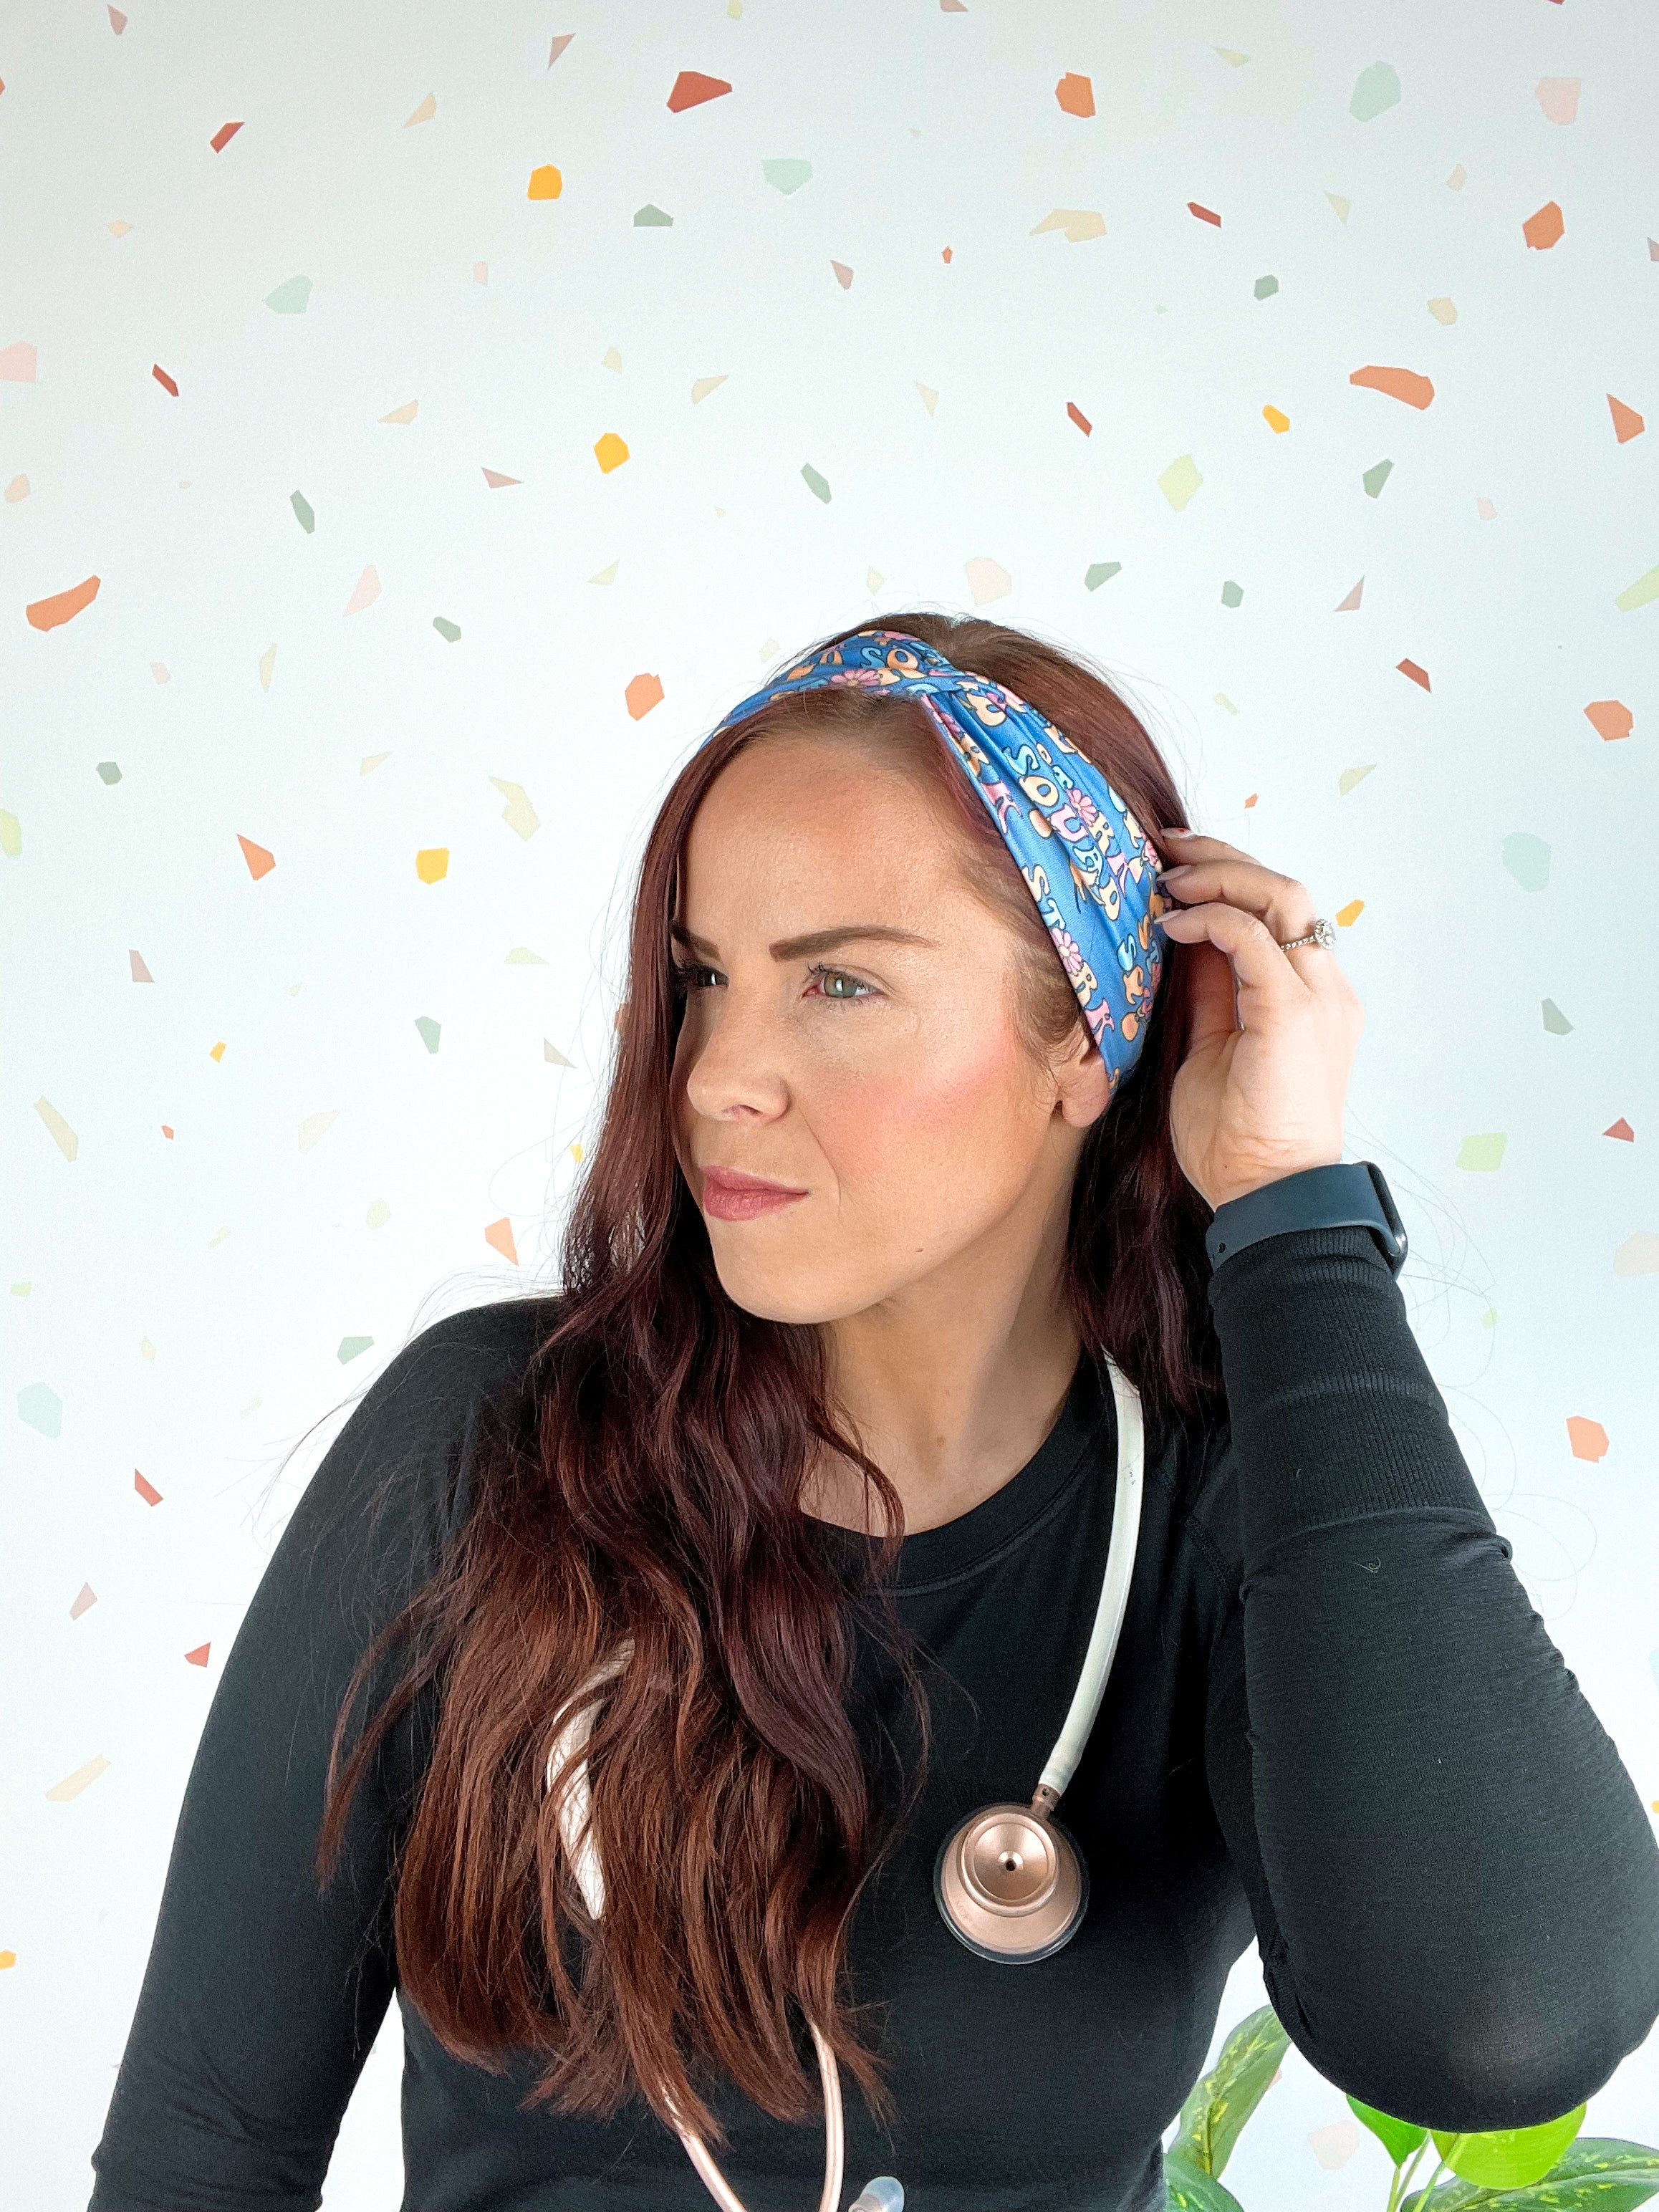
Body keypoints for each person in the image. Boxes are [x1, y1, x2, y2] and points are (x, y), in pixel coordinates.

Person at [87, 617, 1659, 2212]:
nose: (718, 1076)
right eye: (706, 976)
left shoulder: (1221, 1512)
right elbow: (203, 2145)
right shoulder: (491, 1444)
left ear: (1087, 1039)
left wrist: (1299, 1215)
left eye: (840, 980)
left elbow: (1499, 2024)